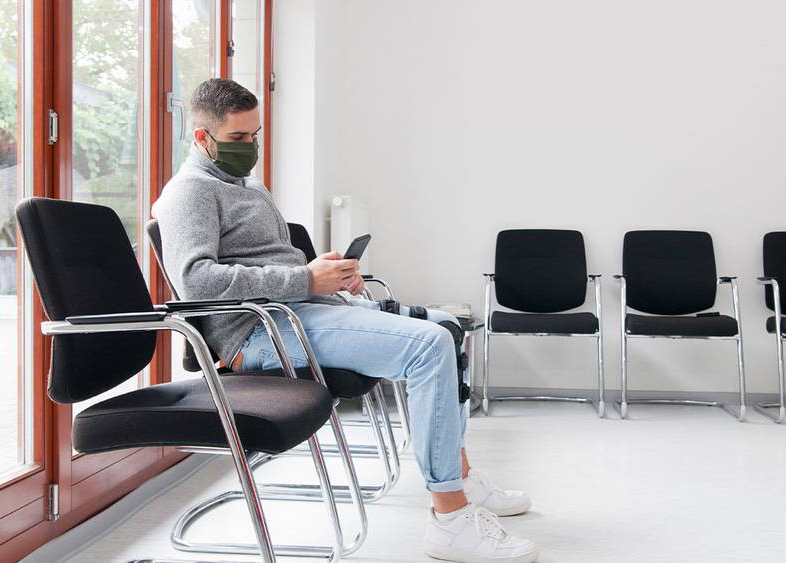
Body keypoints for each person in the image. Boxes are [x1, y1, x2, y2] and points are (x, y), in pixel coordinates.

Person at [152, 78, 539, 563]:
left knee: (449, 327)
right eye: (237, 139)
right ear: (201, 138)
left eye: (254, 135)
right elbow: (197, 281)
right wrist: (305, 282)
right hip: (259, 334)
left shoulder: (247, 185)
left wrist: (329, 276)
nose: (249, 147)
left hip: (303, 311)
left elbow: (273, 265)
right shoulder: (188, 193)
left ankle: (458, 473)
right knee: (428, 345)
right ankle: (450, 517)